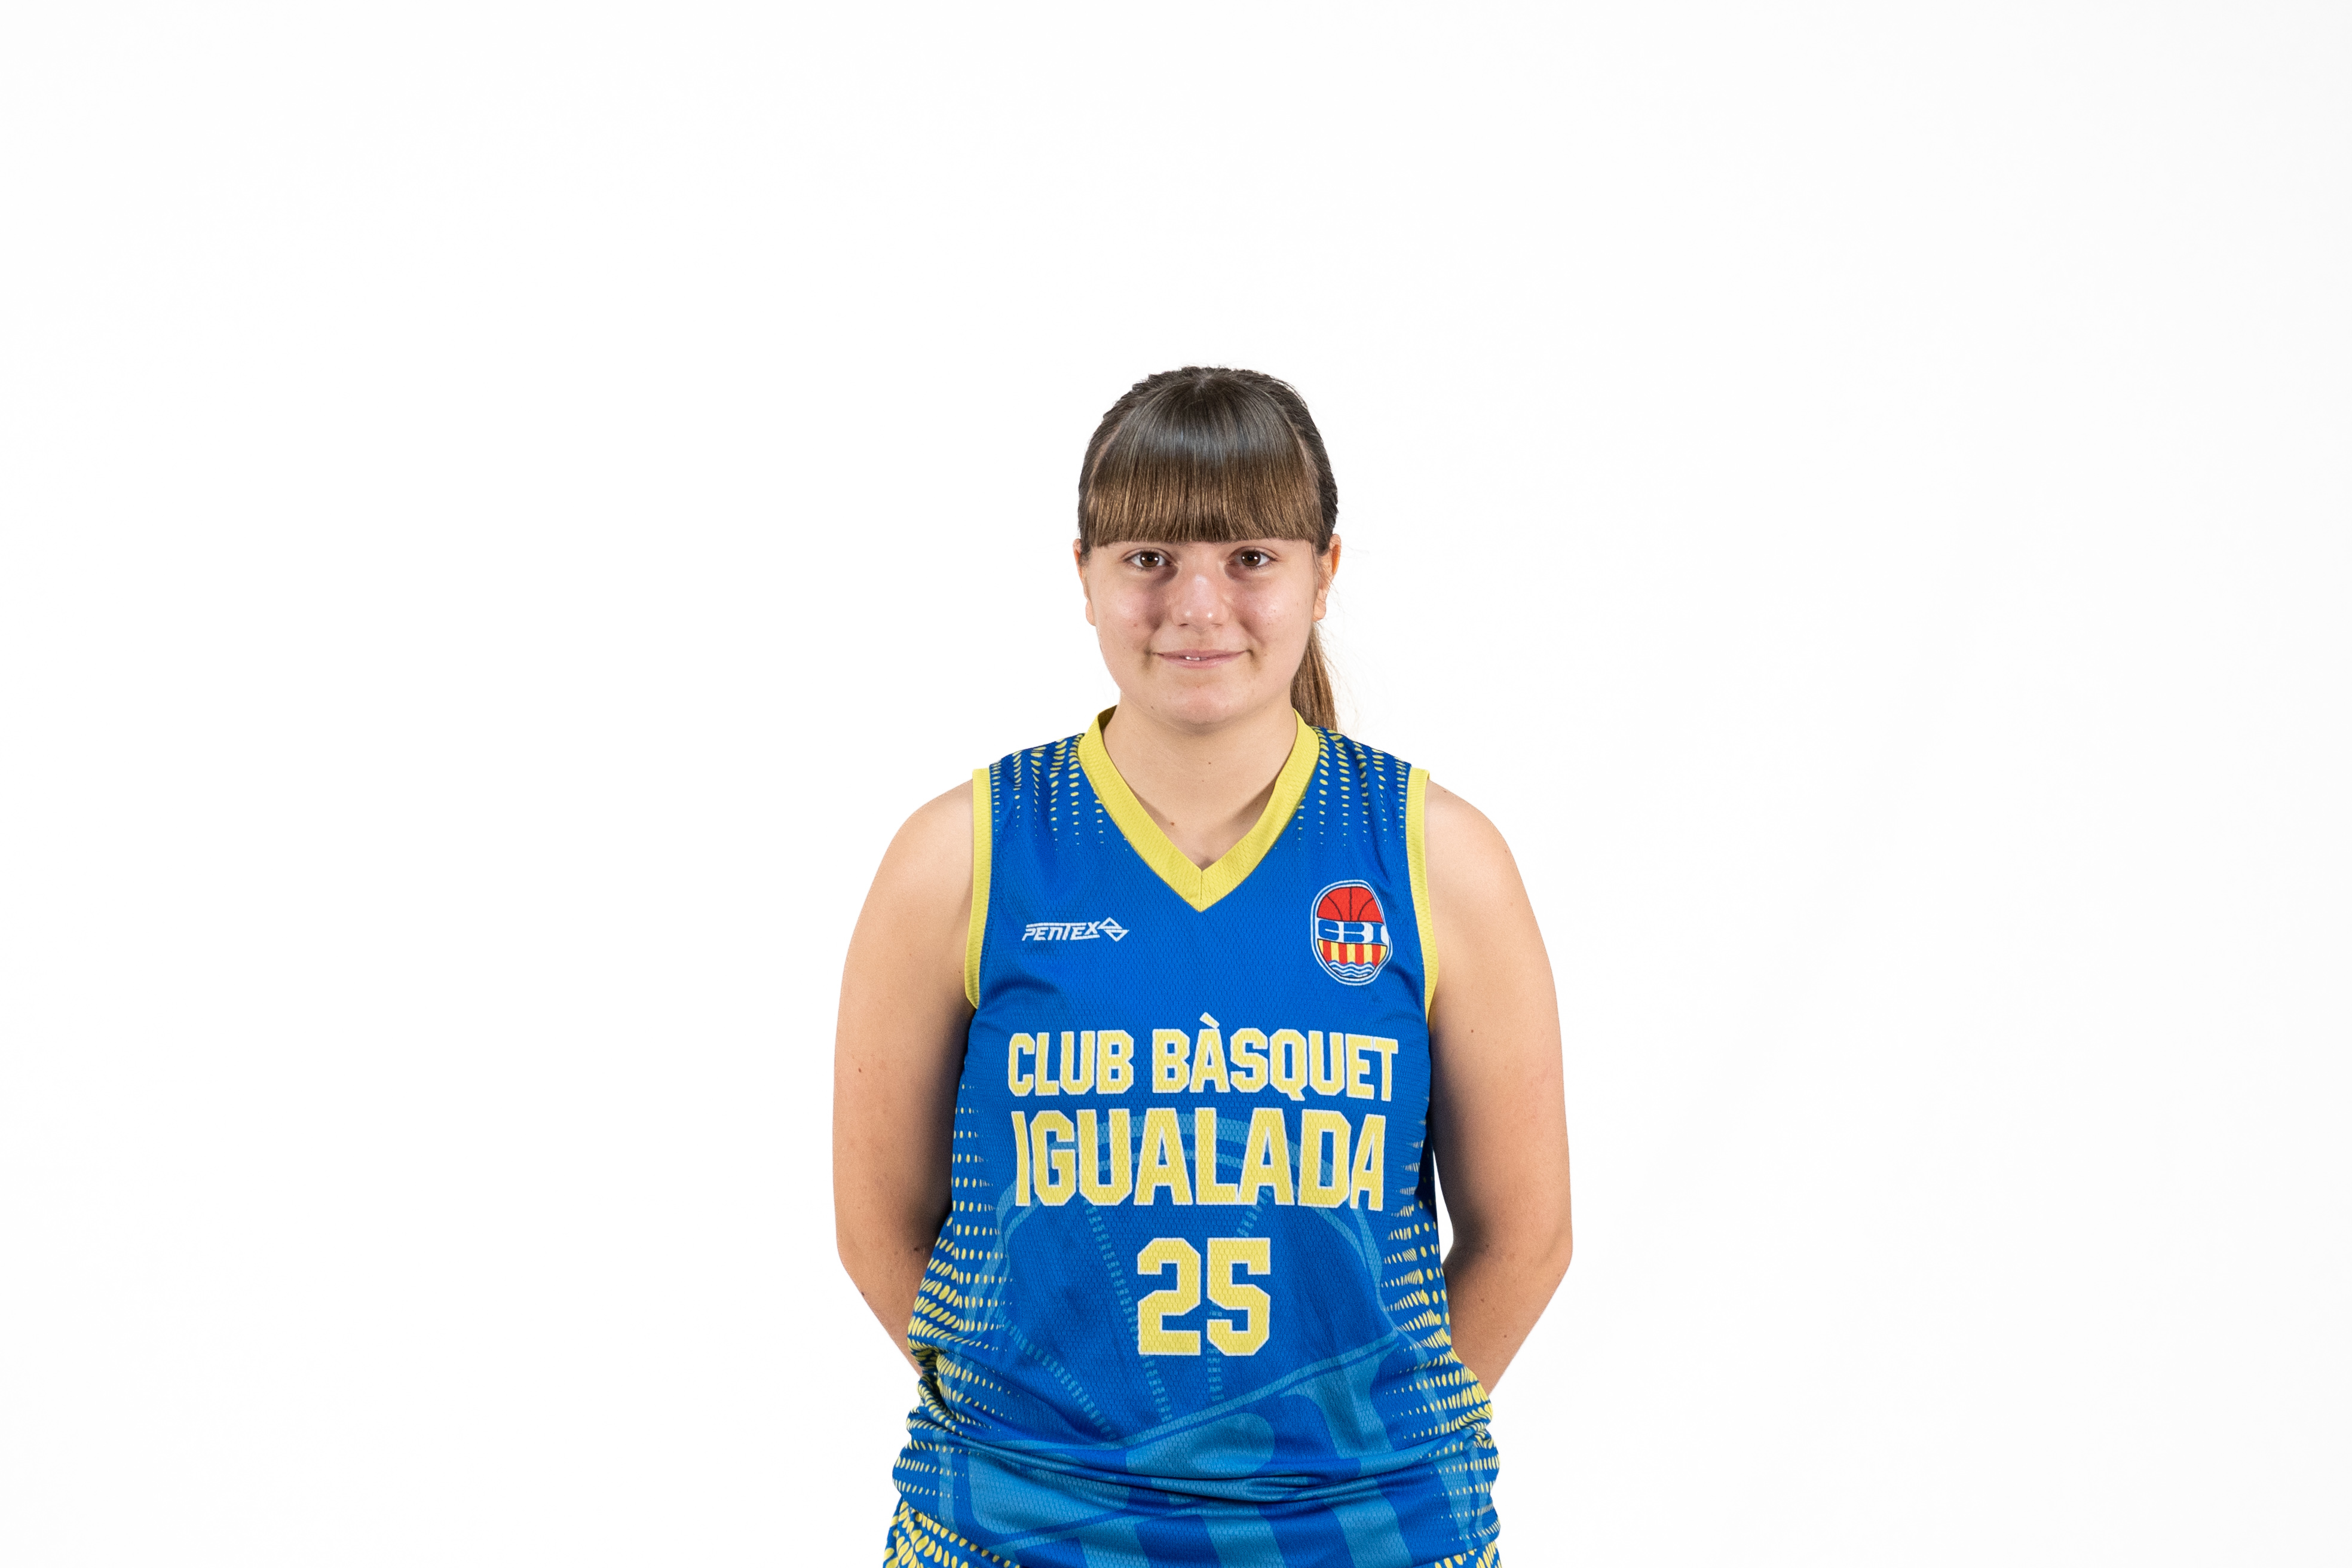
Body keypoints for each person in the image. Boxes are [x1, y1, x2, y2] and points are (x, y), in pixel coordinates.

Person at [834, 368, 1573, 1568]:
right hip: (1022, 1534)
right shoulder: (966, 855)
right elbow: (880, 1226)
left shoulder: (1434, 858)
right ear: (1084, 574)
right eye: (1149, 558)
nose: (1197, 604)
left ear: (1324, 573)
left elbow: (1525, 1237)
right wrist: (1044, 1445)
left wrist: (1354, 1447)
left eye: (1249, 558)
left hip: (1366, 1535)